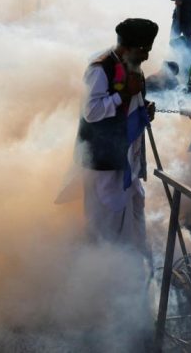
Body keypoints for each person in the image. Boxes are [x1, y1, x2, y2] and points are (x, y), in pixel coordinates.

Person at [75, 18, 158, 254]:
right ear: (131, 47)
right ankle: (103, 273)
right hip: (103, 159)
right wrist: (123, 97)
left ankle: (132, 265)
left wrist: (145, 106)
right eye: (144, 50)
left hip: (126, 156)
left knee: (134, 208)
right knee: (105, 220)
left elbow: (133, 99)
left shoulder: (133, 66)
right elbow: (91, 112)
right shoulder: (100, 68)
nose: (147, 57)